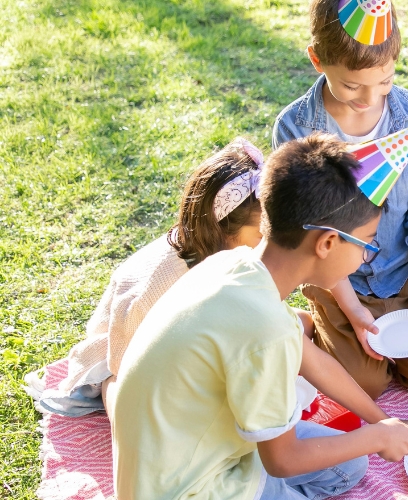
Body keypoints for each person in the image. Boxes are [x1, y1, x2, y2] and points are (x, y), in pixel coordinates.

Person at [109, 134, 408, 500]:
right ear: (327, 243)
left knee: (350, 462)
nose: (364, 258)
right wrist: (374, 437)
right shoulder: (266, 329)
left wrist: (383, 423)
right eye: (367, 244)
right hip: (187, 488)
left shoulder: (235, 265)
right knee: (341, 452)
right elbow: (284, 459)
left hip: (185, 457)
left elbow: (317, 365)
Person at [272, 0, 408, 400]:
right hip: (341, 280)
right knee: (366, 384)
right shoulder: (295, 127)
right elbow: (310, 236)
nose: (370, 98)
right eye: (353, 85)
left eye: (385, 81)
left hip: (402, 273)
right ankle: (316, 323)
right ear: (317, 60)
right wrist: (354, 311)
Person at [38, 138, 267, 416]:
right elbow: (127, 361)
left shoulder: (224, 251)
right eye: (262, 232)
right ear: (223, 229)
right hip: (123, 352)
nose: (268, 239)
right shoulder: (158, 287)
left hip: (182, 344)